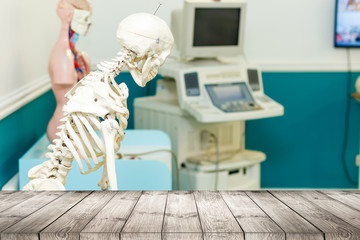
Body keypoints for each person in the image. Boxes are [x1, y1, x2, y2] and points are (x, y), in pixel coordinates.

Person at [47, 0, 92, 142]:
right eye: (86, 19)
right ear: (69, 15)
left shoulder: (76, 56)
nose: (89, 25)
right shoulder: (62, 55)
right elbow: (67, 93)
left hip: (76, 125)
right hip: (62, 128)